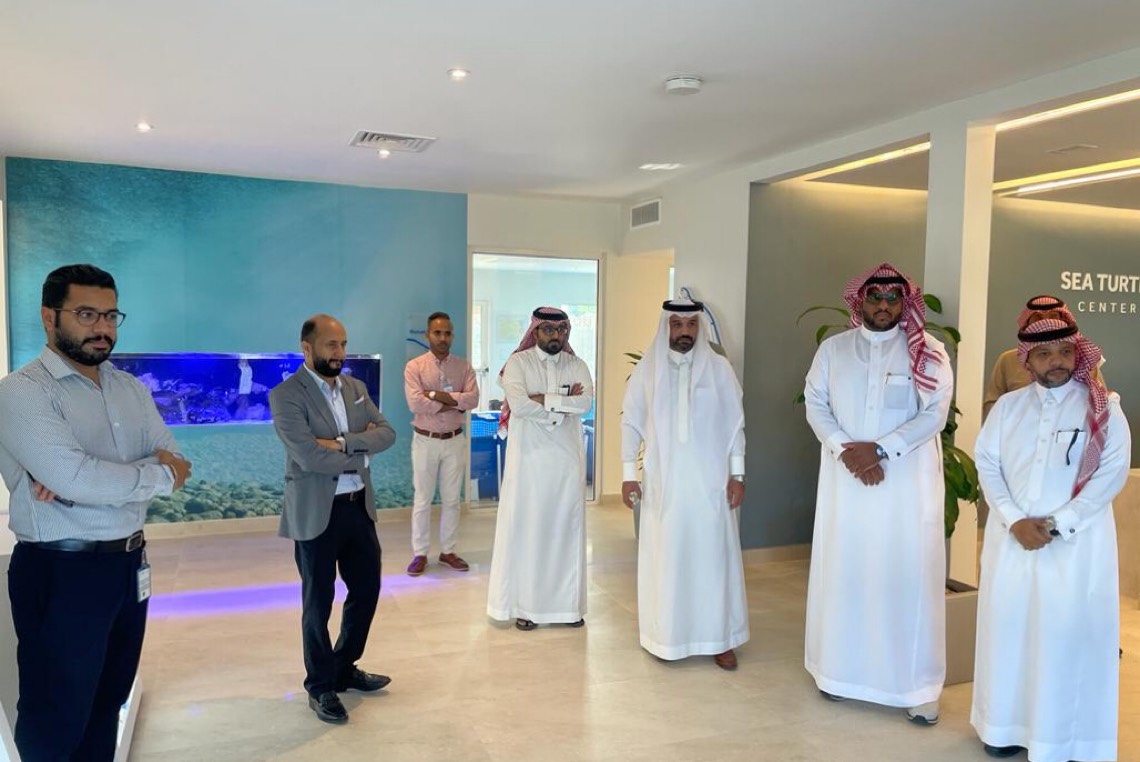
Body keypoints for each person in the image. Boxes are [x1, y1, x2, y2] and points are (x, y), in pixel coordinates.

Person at [0, 264, 192, 761]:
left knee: (108, 702)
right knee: (54, 715)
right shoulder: (22, 391)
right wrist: (143, 473)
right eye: (86, 314)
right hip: (61, 570)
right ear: (49, 317)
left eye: (110, 315)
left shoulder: (130, 389)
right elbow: (79, 478)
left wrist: (85, 480)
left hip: (129, 565)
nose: (102, 327)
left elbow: (177, 460)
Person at [972, 316, 1130, 762]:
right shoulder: (1008, 408)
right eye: (1044, 354)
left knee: (1066, 638)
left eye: (1064, 352)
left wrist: (1059, 523)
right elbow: (987, 465)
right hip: (1013, 542)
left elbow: (1112, 472)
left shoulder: (1104, 408)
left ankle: (1069, 740)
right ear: (1027, 361)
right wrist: (1013, 520)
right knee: (1010, 632)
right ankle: (1003, 727)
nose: (1056, 362)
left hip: (1076, 549)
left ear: (1078, 354)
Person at [802, 262, 953, 724]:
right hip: (846, 486)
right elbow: (815, 404)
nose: (883, 306)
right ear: (860, 301)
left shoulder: (930, 353)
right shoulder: (833, 350)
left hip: (905, 489)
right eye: (875, 297)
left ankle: (917, 688)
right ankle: (839, 673)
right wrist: (844, 449)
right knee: (846, 570)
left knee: (907, 577)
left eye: (892, 298)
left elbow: (935, 414)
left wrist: (881, 451)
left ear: (905, 303)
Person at [269, 314, 396, 724]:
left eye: (343, 344)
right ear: (307, 348)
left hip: (358, 507)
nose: (340, 352)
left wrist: (341, 443)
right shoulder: (286, 395)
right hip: (315, 513)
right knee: (317, 602)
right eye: (331, 345)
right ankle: (320, 685)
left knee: (367, 590)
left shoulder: (355, 388)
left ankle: (343, 667)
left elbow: (387, 433)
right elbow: (308, 456)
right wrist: (361, 454)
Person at [620, 299, 748, 670]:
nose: (684, 332)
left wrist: (738, 475)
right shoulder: (648, 370)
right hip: (665, 486)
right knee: (668, 558)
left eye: (690, 324)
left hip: (711, 485)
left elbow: (735, 425)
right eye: (676, 324)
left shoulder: (720, 370)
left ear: (699, 328)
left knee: (713, 559)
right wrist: (628, 475)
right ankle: (666, 637)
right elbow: (631, 422)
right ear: (666, 327)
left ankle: (719, 638)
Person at [486, 307, 594, 631]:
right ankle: (527, 607)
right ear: (535, 331)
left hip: (566, 464)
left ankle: (568, 609)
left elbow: (585, 403)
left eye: (561, 330)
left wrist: (544, 400)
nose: (555, 336)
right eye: (548, 329)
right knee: (531, 531)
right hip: (529, 463)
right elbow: (519, 405)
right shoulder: (518, 364)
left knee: (565, 531)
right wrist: (561, 405)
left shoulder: (577, 365)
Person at [403, 311, 479, 576]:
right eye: (437, 333)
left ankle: (448, 551)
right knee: (422, 499)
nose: (443, 338)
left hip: (455, 440)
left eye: (447, 333)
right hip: (425, 440)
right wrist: (454, 401)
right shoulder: (414, 367)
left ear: (452, 336)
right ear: (428, 335)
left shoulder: (464, 367)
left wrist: (435, 395)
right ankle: (420, 553)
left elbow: (473, 400)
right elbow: (415, 403)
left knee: (452, 500)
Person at [982, 295, 1103, 418]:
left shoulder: (1085, 361)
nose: (1046, 322)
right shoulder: (1007, 360)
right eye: (1037, 318)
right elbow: (993, 404)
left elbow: (1100, 401)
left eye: (1053, 316)